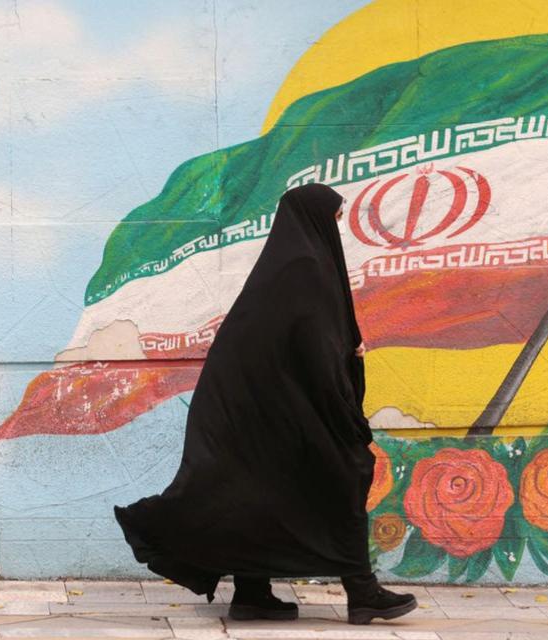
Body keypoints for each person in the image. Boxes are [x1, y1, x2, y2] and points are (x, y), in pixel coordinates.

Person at [113, 183, 417, 625]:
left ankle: (252, 593)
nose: (337, 227)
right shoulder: (306, 270)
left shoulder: (285, 268)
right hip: (285, 410)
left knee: (257, 495)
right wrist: (345, 380)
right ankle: (362, 591)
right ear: (313, 219)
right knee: (344, 477)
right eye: (333, 217)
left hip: (258, 413)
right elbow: (313, 346)